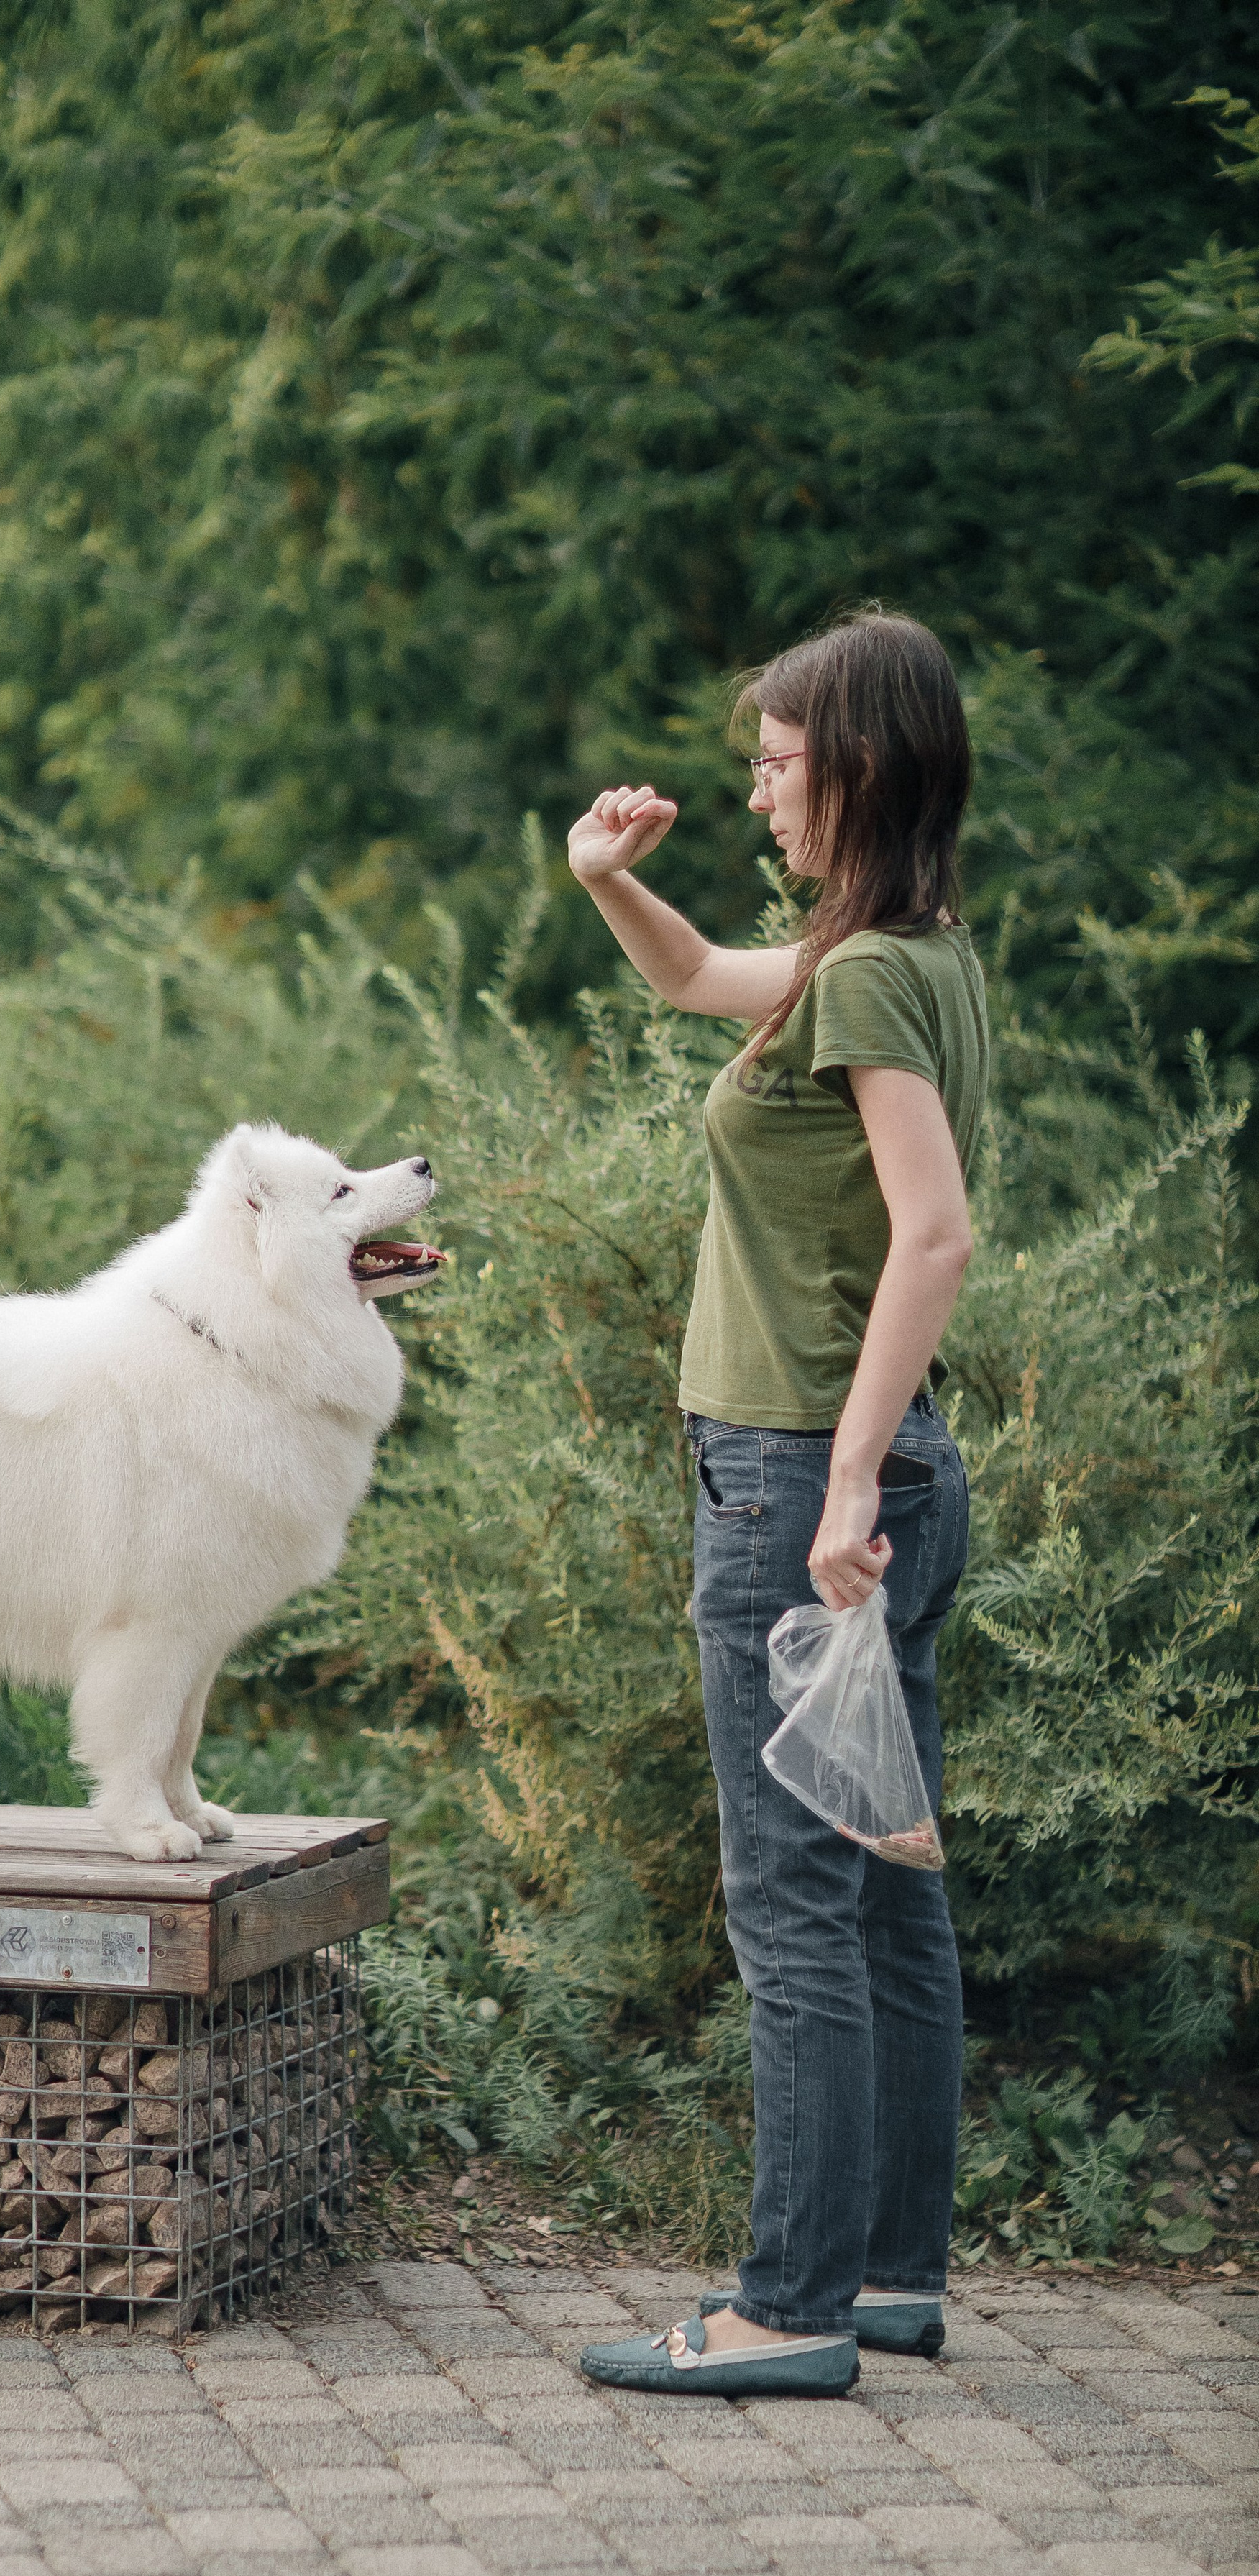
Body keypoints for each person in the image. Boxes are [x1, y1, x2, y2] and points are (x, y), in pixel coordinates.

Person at [569, 608, 988, 2398]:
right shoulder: (893, 954)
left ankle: (784, 2307)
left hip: (802, 1486)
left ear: (858, 766)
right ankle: (883, 2278)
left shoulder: (870, 976)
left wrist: (837, 1480)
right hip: (877, 1475)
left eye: (775, 760)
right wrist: (603, 882)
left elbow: (933, 1235)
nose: (754, 789)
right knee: (881, 1894)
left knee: (793, 1904)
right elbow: (689, 981)